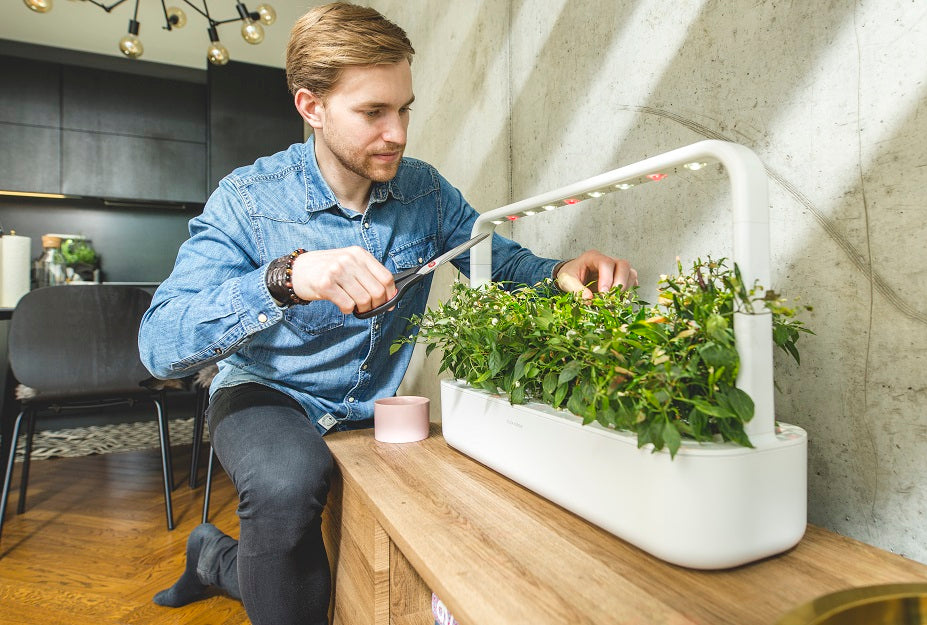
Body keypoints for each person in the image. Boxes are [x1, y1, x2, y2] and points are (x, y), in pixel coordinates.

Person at [138, 3, 637, 624]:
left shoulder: (426, 192)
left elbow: (503, 266)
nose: (397, 132)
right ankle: (219, 560)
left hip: (375, 406)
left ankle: (214, 561)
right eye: (373, 112)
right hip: (263, 395)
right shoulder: (248, 199)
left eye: (403, 109)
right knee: (289, 484)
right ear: (311, 107)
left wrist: (563, 275)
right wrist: (288, 278)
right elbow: (159, 344)